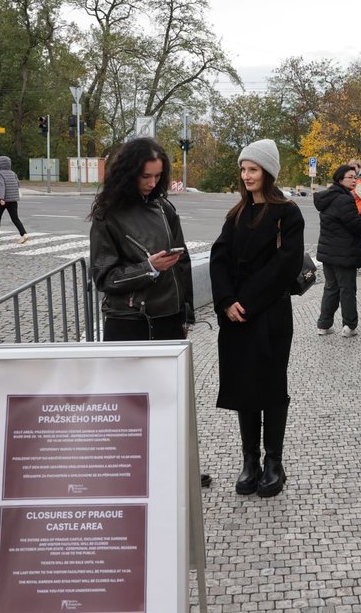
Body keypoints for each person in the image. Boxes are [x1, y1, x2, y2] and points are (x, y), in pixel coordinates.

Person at [88, 139, 206, 487]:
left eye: (157, 176)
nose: (152, 183)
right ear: (128, 174)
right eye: (145, 177)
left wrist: (186, 314)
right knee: (128, 404)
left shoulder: (165, 208)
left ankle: (178, 469)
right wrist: (149, 268)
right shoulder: (107, 215)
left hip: (167, 317)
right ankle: (130, 475)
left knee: (172, 399)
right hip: (128, 322)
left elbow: (182, 265)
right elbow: (104, 277)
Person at [210, 139, 305, 498]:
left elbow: (287, 265)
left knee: (271, 387)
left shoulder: (287, 213)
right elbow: (219, 258)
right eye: (243, 169)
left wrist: (245, 302)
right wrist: (226, 301)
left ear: (268, 172)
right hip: (235, 316)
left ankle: (274, 462)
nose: (246, 175)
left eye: (253, 169)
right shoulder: (235, 214)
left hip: (270, 314)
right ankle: (249, 460)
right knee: (243, 387)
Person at [314, 165, 361, 337]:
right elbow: (354, 225)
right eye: (350, 177)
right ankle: (349, 326)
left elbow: (340, 220)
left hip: (328, 251)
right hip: (343, 252)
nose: (354, 180)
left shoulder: (328, 197)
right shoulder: (344, 199)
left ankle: (324, 325)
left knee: (331, 288)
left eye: (355, 176)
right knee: (347, 289)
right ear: (340, 179)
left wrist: (358, 219)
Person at [0, 155, 28, 242]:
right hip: (13, 200)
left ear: (1, 164)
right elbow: (18, 184)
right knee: (15, 218)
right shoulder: (13, 173)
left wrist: (1, 198)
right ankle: (24, 234)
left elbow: (1, 186)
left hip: (2, 200)